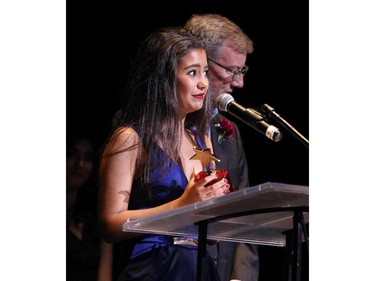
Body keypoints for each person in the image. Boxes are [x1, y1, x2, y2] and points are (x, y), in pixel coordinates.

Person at [98, 26, 232, 281]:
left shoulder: (201, 139)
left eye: (205, 72)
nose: (203, 82)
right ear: (164, 78)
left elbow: (211, 230)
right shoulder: (131, 138)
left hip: (199, 267)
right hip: (155, 267)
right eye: (192, 73)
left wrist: (221, 212)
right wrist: (181, 206)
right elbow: (110, 223)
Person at [185, 13, 259, 281]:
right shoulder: (145, 126)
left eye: (241, 71)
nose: (239, 83)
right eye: (231, 71)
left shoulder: (230, 132)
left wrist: (241, 276)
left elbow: (245, 212)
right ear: (198, 61)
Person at [67, 126, 112, 281]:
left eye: (87, 158)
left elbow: (104, 272)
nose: (80, 164)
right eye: (72, 155)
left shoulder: (95, 214)